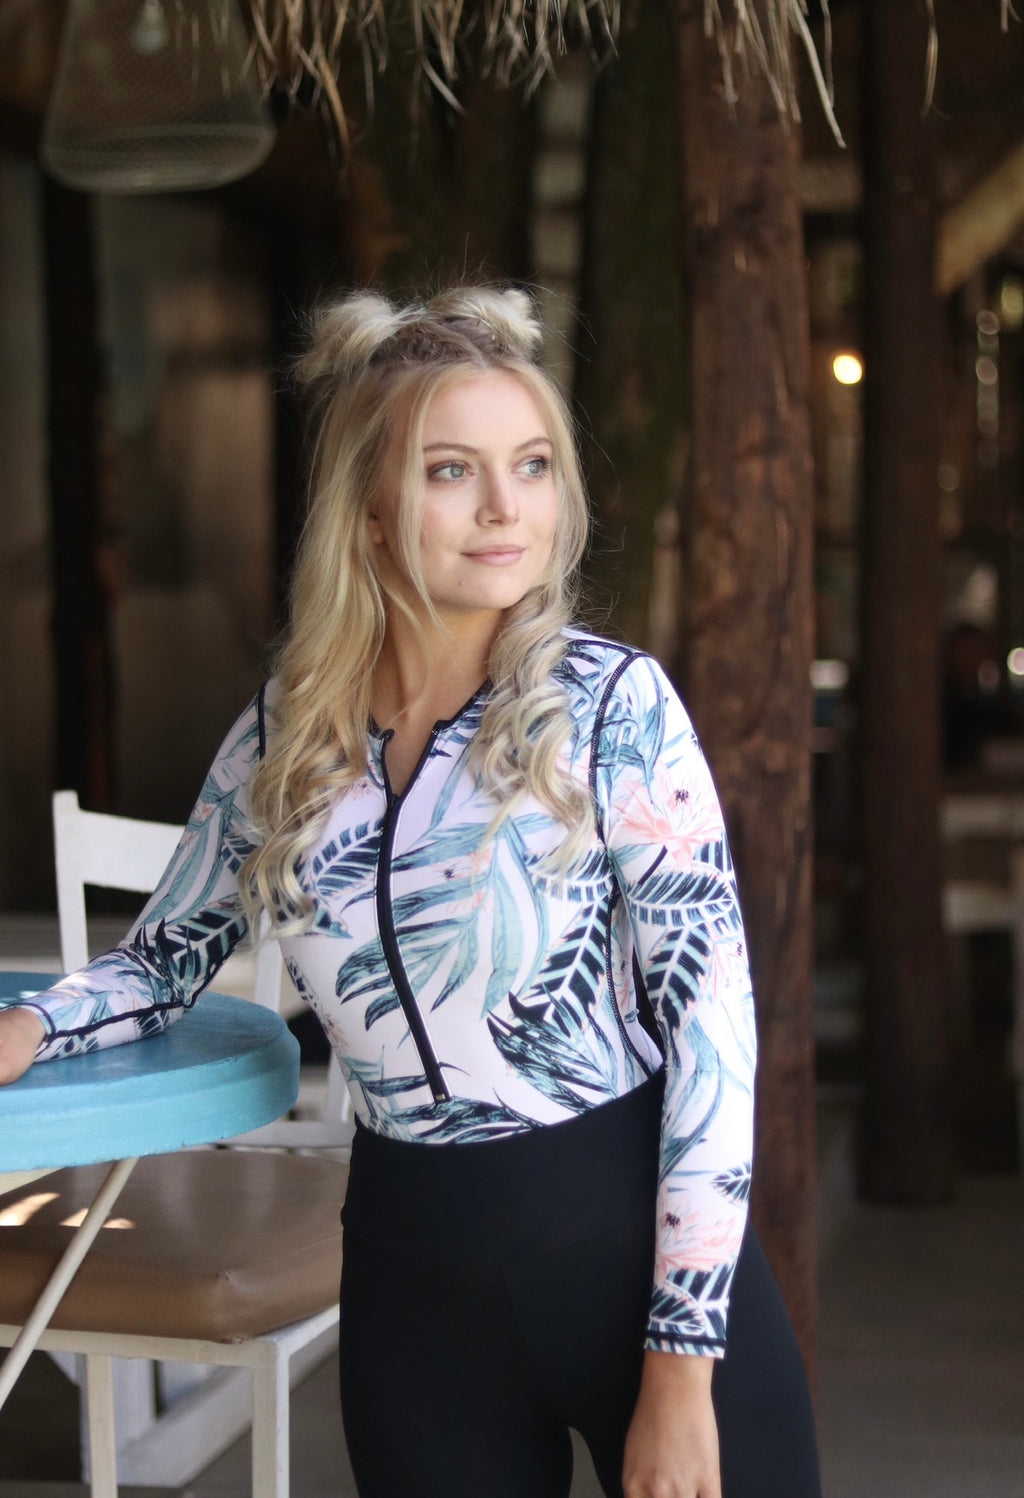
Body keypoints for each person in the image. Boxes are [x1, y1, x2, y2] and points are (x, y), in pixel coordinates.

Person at [0, 287, 821, 1498]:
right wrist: (32, 1023)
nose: (506, 507)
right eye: (453, 470)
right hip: (413, 1279)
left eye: (532, 464)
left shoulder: (613, 709)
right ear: (373, 511)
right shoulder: (290, 733)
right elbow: (165, 957)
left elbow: (714, 1039)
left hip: (627, 1249)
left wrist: (683, 1369)